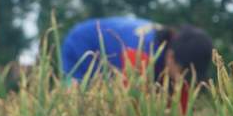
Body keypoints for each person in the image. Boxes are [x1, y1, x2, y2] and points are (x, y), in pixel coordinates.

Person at [59, 17, 213, 93]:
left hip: (115, 53)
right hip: (82, 46)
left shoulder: (175, 49)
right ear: (170, 57)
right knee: (81, 100)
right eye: (183, 73)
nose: (185, 81)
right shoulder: (140, 55)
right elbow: (130, 106)